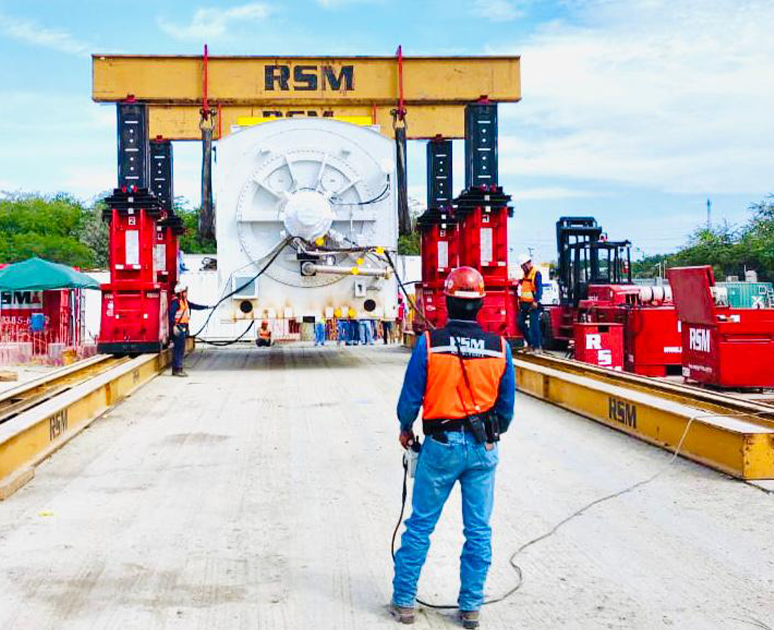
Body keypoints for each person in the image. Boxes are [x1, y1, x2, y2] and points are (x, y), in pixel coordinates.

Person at [391, 266, 515, 629]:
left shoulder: (430, 344)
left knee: (420, 525)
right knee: (478, 530)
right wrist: (490, 433)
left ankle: (404, 602)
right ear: (481, 304)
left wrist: (405, 428)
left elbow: (410, 399)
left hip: (441, 447)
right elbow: (506, 408)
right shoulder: (500, 348)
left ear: (447, 302)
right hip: (483, 448)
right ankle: (471, 607)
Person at [168, 283, 208, 377]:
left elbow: (194, 306)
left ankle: (176, 369)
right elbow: (171, 315)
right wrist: (174, 326)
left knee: (180, 348)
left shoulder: (184, 301)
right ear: (180, 292)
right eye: (184, 292)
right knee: (179, 349)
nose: (186, 293)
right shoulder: (176, 302)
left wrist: (206, 307)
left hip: (183, 327)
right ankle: (178, 369)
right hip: (178, 328)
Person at [517, 253, 543, 350]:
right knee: (520, 323)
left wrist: (535, 301)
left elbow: (539, 289)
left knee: (534, 325)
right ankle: (530, 343)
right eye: (522, 267)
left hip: (533, 304)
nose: (523, 268)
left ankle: (537, 346)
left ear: (528, 263)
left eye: (523, 266)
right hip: (524, 304)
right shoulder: (525, 275)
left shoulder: (536, 273)